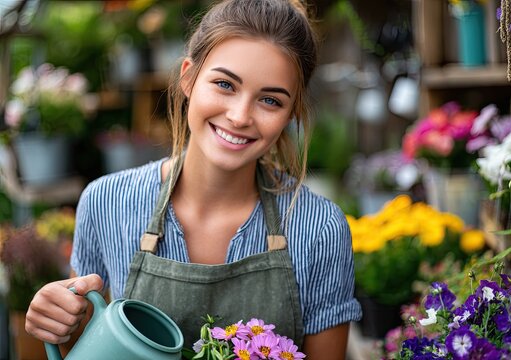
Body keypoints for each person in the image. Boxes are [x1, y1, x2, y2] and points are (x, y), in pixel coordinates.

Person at [25, 0, 362, 358]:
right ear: (188, 77)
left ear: (290, 113)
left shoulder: (318, 228)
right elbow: (88, 348)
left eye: (269, 100)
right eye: (225, 84)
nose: (240, 116)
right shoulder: (107, 202)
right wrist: (58, 320)